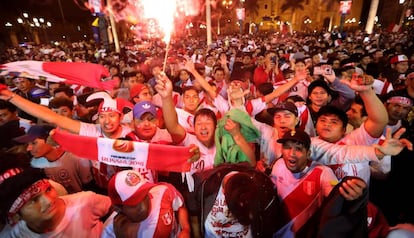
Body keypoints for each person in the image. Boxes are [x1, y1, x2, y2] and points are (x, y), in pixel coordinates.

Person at [270, 129, 369, 237]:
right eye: (287, 147)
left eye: (298, 149)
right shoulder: (278, 165)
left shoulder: (323, 173)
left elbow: (337, 199)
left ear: (308, 153)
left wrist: (353, 197)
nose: (291, 154)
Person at [0, 165, 111, 237]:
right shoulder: (12, 236)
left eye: (48, 190)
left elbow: (116, 210)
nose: (48, 201)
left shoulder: (86, 201)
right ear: (16, 216)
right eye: (34, 200)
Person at [102, 170, 191, 238]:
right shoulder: (109, 233)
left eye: (145, 195)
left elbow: (180, 206)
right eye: (135, 203)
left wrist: (186, 229)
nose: (144, 207)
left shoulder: (163, 191)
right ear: (117, 208)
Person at [13, 124, 93, 194]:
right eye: (28, 144)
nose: (28, 148)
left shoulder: (77, 158)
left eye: (34, 143)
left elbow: (91, 189)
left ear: (50, 140)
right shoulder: (36, 165)